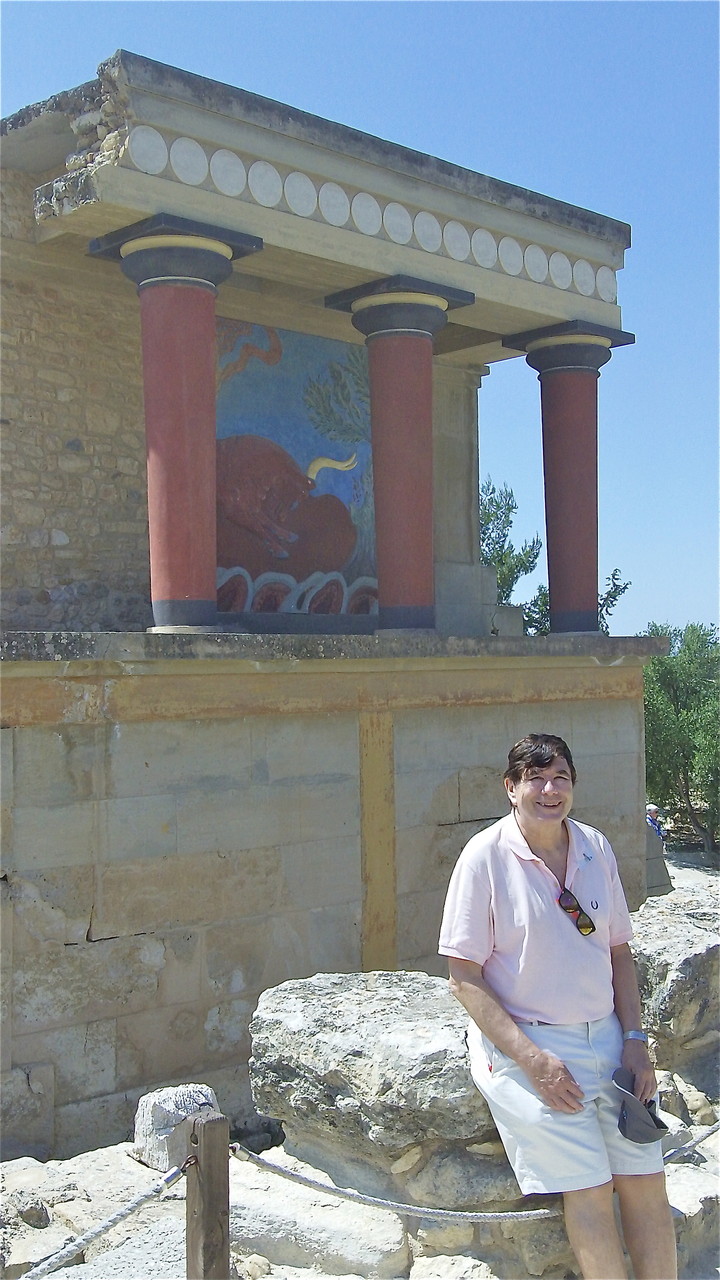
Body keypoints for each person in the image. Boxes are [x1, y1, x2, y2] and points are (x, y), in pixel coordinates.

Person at [439, 733, 676, 1280]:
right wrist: (533, 1060)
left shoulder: (594, 846)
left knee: (646, 1179)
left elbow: (618, 953)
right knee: (589, 1190)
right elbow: (463, 976)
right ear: (511, 788)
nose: (550, 789)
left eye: (561, 777)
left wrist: (637, 1043)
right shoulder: (484, 857)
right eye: (536, 778)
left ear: (573, 785)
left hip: (610, 1039)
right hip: (534, 1045)